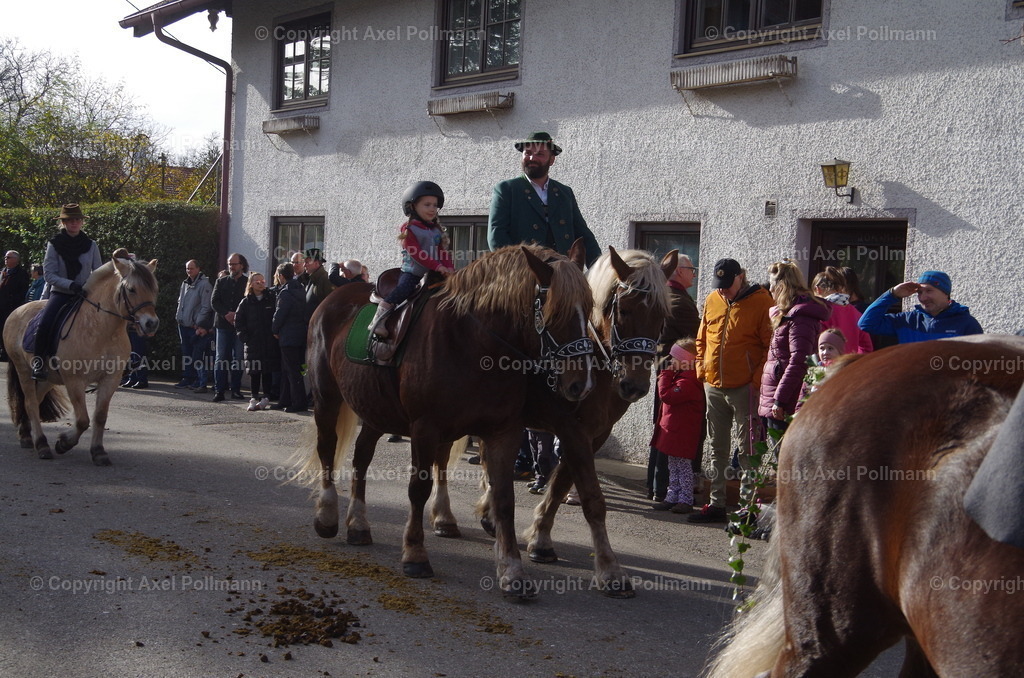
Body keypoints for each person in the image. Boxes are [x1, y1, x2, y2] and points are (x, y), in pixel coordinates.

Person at [689, 258, 774, 524]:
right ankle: (716, 504)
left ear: (741, 277)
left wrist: (756, 381)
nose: (723, 290)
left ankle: (748, 509)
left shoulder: (763, 302)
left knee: (748, 449)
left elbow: (770, 345)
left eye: (727, 285)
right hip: (713, 385)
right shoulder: (713, 299)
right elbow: (702, 338)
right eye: (720, 285)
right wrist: (702, 371)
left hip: (745, 387)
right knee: (717, 447)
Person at [487, 131, 601, 267]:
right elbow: (497, 236)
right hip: (523, 273)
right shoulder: (507, 189)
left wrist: (600, 268)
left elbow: (583, 234)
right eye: (527, 153)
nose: (531, 158)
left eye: (540, 154)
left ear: (552, 160)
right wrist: (518, 270)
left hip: (563, 272)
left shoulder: (564, 192)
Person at [367, 181, 454, 337]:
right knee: (403, 290)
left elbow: (442, 252)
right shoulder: (409, 229)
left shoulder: (435, 230)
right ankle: (379, 318)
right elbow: (416, 253)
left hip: (433, 272)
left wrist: (450, 269)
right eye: (427, 205)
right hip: (413, 273)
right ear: (412, 207)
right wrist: (437, 266)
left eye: (435, 205)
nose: (432, 209)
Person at [648, 254, 700, 503]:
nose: (694, 273)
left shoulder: (663, 296)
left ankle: (659, 488)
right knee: (676, 438)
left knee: (664, 431)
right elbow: (700, 337)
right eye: (692, 269)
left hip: (667, 373)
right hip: (676, 374)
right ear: (679, 271)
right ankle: (673, 491)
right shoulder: (678, 302)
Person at [758, 262, 830, 434]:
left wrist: (779, 400)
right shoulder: (788, 314)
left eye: (772, 287)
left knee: (784, 457)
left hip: (788, 401)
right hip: (777, 395)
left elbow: (799, 361)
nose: (770, 291)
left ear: (781, 287)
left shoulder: (800, 318)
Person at [32, 204, 103, 380]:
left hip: (86, 294)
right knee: (45, 323)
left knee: (110, 319)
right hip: (62, 293)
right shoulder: (54, 244)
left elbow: (99, 272)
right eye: (70, 220)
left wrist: (90, 287)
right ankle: (39, 362)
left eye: (77, 220)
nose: (74, 223)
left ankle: (115, 362)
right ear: (63, 222)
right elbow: (49, 274)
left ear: (82, 223)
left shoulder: (91, 245)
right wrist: (71, 285)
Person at [650, 339, 705, 514]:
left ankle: (686, 498)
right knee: (673, 466)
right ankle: (672, 496)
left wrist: (665, 375)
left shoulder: (688, 382)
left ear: (685, 361)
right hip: (674, 432)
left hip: (682, 433)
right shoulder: (681, 378)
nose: (671, 362)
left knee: (683, 467)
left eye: (674, 358)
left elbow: (667, 396)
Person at [857, 270, 983, 343]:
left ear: (946, 293)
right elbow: (866, 324)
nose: (923, 298)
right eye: (919, 292)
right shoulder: (907, 320)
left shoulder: (967, 324)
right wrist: (892, 294)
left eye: (929, 291)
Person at [235, 272, 279, 411]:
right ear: (251, 284)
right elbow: (239, 321)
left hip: (268, 342)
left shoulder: (271, 298)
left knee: (267, 370)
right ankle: (253, 397)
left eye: (262, 281)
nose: (261, 283)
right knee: (254, 371)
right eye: (257, 281)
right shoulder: (246, 302)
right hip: (253, 343)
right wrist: (245, 337)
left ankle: (266, 397)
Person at [271, 262, 310, 413]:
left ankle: (298, 402)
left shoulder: (285, 293)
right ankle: (285, 399)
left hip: (287, 336)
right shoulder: (301, 289)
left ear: (281, 276)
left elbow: (280, 314)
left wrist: (274, 329)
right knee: (294, 369)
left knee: (291, 371)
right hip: (300, 334)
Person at [211, 253, 249, 402]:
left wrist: (237, 316)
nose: (231, 267)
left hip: (239, 327)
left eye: (234, 264)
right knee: (221, 358)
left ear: (242, 265)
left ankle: (236, 390)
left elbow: (249, 302)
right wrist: (226, 314)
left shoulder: (247, 283)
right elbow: (214, 302)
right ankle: (219, 390)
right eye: (229, 264)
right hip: (222, 325)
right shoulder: (221, 282)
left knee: (238, 358)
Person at [811, 266, 872, 354]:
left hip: (829, 366)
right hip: (851, 365)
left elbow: (814, 347)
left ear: (818, 290)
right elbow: (867, 347)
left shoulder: (821, 313)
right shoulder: (856, 313)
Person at [174, 259, 214, 391]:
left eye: (191, 268)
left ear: (198, 269)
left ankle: (198, 379)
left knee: (196, 354)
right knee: (186, 352)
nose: (189, 271)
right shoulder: (185, 283)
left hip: (194, 326)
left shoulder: (205, 285)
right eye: (187, 269)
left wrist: (199, 323)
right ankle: (187, 378)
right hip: (183, 324)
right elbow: (181, 302)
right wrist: (178, 316)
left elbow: (206, 306)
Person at [0, 250, 31, 361]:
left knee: (8, 329)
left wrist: (12, 301)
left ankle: (6, 352)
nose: (6, 259)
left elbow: (22, 291)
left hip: (12, 307)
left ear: (16, 260)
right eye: (5, 257)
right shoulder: (2, 272)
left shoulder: (21, 274)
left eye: (8, 257)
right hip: (1, 306)